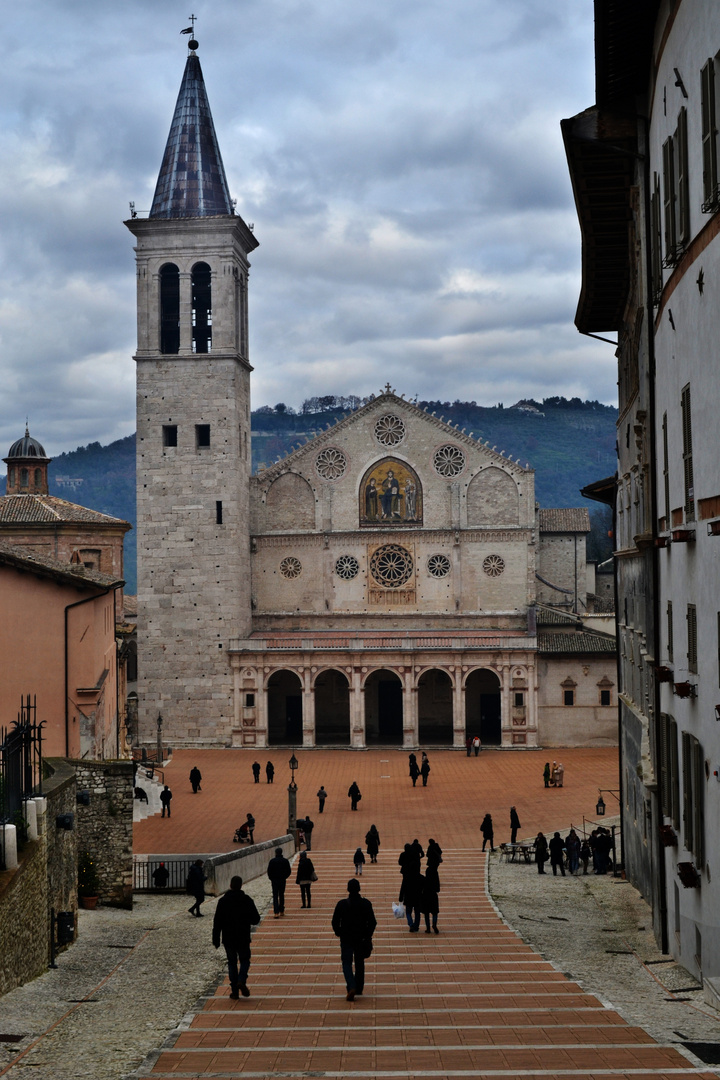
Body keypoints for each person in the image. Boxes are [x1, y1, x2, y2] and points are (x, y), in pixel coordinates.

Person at [212, 875, 260, 999]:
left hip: (228, 937)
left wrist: (215, 939)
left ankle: (234, 991)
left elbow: (217, 922)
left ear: (230, 885)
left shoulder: (223, 901)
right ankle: (242, 980)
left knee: (232, 963)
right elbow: (256, 919)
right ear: (241, 885)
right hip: (243, 936)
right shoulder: (246, 900)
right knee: (245, 960)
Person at [331, 878, 377, 1001]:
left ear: (348, 889)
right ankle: (359, 987)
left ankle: (351, 985)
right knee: (359, 962)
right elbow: (372, 922)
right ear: (359, 889)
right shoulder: (366, 903)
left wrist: (339, 932)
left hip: (346, 938)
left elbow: (335, 921)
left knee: (346, 962)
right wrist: (367, 935)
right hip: (360, 938)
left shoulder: (342, 904)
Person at [267, 846, 291, 917]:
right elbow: (288, 871)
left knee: (275, 895)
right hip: (282, 880)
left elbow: (269, 871)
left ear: (276, 853)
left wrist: (271, 878)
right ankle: (282, 910)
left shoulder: (272, 861)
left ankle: (276, 912)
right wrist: (284, 877)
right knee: (281, 894)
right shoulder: (285, 861)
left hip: (274, 880)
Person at [421, 863, 440, 934]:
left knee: (426, 913)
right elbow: (438, 889)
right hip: (433, 895)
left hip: (426, 896)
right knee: (434, 912)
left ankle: (428, 928)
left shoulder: (425, 880)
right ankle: (434, 924)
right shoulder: (435, 880)